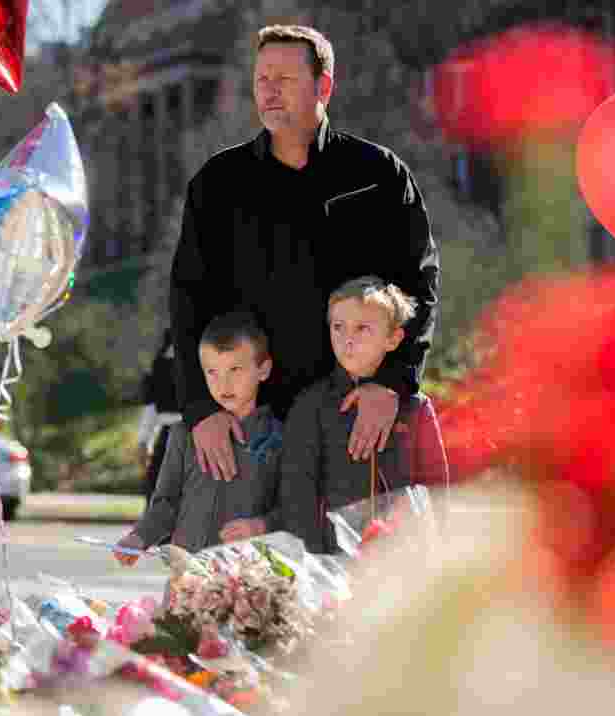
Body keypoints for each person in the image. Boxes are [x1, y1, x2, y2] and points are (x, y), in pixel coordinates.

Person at [171, 24, 439, 484]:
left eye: (286, 79)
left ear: (324, 86)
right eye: (262, 80)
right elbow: (189, 302)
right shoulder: (218, 184)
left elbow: (418, 286)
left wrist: (392, 384)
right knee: (251, 553)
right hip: (250, 425)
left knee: (357, 553)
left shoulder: (379, 174)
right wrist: (201, 409)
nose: (270, 92)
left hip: (355, 413)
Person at [278, 276, 449, 554]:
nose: (347, 339)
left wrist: (435, 550)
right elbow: (298, 495)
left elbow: (436, 488)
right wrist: (315, 560)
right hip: (336, 558)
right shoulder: (310, 405)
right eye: (338, 327)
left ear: (393, 339)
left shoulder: (416, 408)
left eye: (362, 329)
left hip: (404, 557)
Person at [115, 311, 284, 559]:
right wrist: (139, 536)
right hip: (186, 581)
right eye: (212, 372)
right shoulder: (183, 434)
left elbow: (296, 510)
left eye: (235, 369)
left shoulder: (282, 437)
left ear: (263, 369)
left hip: (250, 582)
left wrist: (261, 526)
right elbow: (165, 504)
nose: (223, 384)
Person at [135, 328, 182, 506]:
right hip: (186, 433)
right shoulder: (164, 366)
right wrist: (143, 441)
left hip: (171, 433)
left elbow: (151, 408)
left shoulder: (160, 364)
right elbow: (152, 407)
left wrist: (143, 441)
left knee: (157, 486)